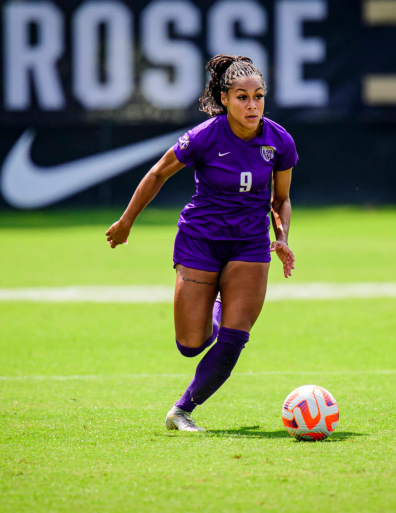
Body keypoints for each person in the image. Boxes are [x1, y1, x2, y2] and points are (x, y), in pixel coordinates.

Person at [105, 55, 298, 431]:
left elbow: (280, 200)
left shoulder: (279, 141)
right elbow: (158, 172)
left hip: (250, 243)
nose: (252, 105)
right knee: (191, 344)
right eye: (242, 97)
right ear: (224, 98)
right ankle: (215, 306)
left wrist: (282, 238)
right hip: (201, 239)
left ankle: (181, 411)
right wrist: (127, 221)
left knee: (234, 336)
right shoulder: (204, 136)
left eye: (259, 96)